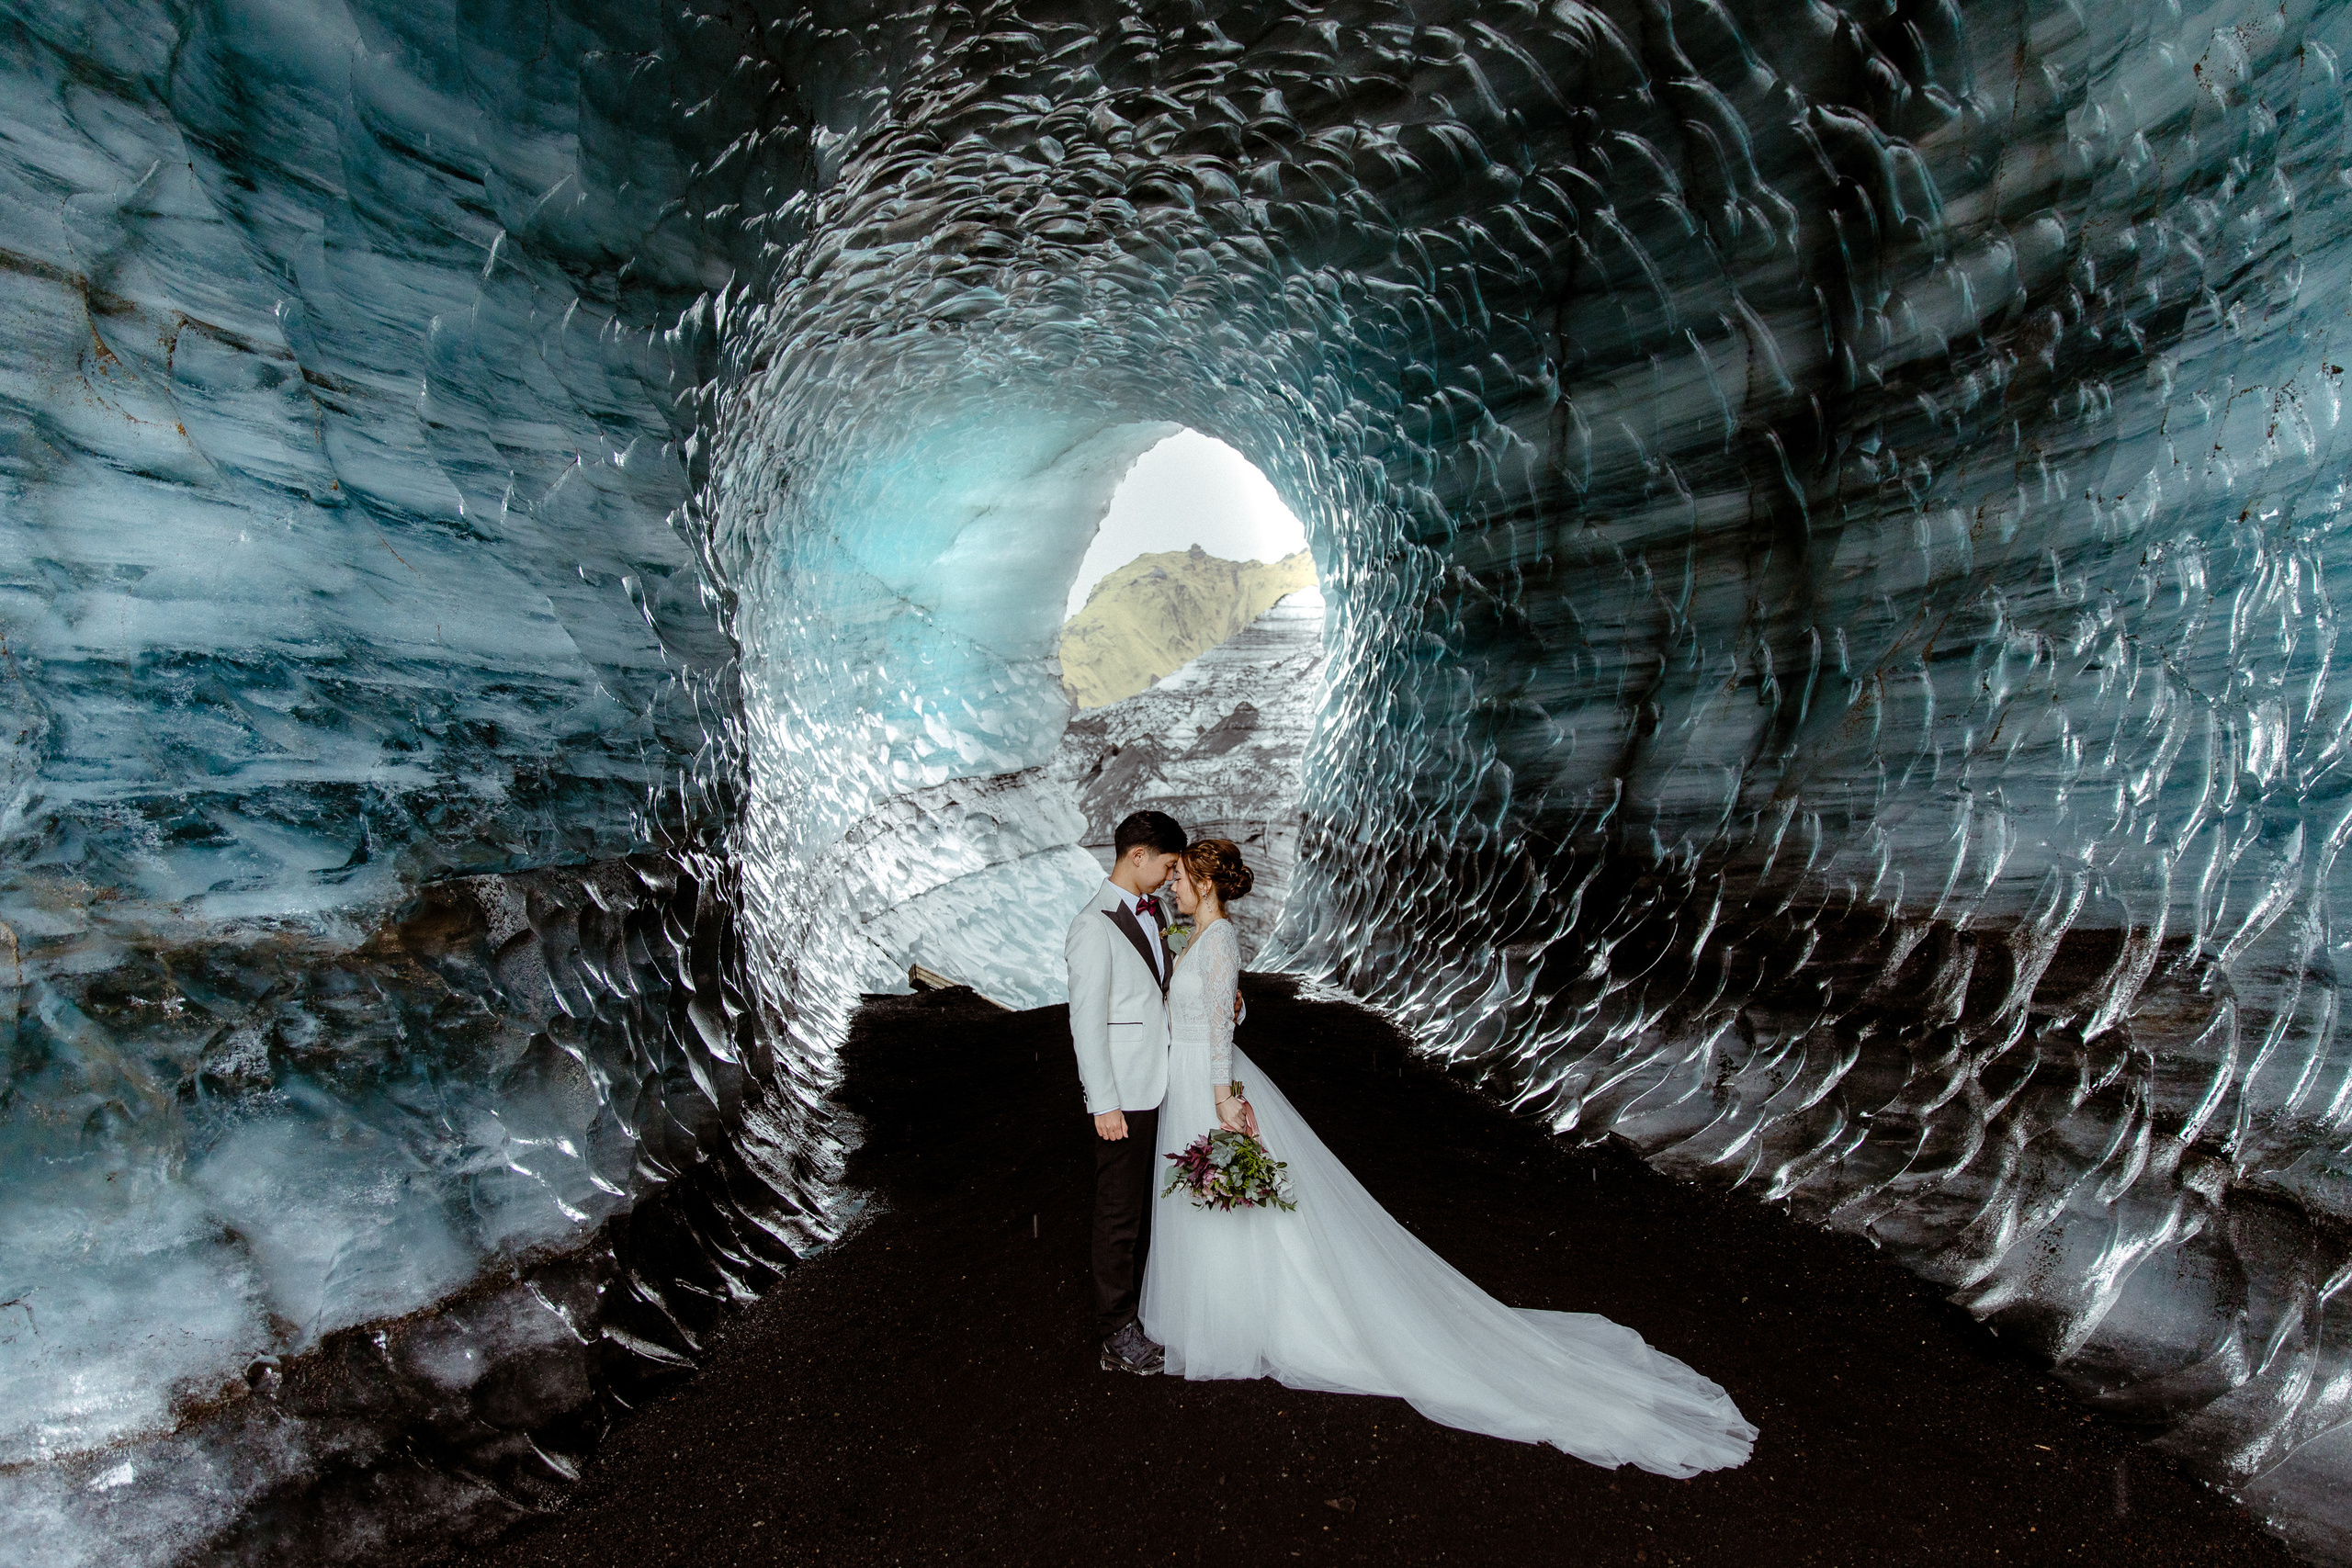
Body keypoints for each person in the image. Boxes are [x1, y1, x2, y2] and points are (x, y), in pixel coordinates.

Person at [1137, 838, 1758, 1477]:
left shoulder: (1214, 941)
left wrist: (1225, 1100)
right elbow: (1221, 1009)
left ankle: (1240, 1320)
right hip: (1192, 1080)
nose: (1172, 887)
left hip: (1209, 1087)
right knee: (1226, 1201)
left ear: (1207, 883)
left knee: (1235, 1199)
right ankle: (1226, 1312)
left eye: (1180, 877)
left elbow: (1216, 1029)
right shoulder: (1206, 940)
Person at [1063, 808, 1186, 1374]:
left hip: (1165, 1083)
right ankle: (1117, 1332)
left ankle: (1152, 1309)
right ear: (1138, 856)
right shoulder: (1092, 925)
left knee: (1155, 1204)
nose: (1167, 878)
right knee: (1119, 1215)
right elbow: (1086, 1023)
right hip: (1125, 1096)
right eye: (1165, 866)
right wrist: (1103, 1102)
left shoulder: (1156, 913)